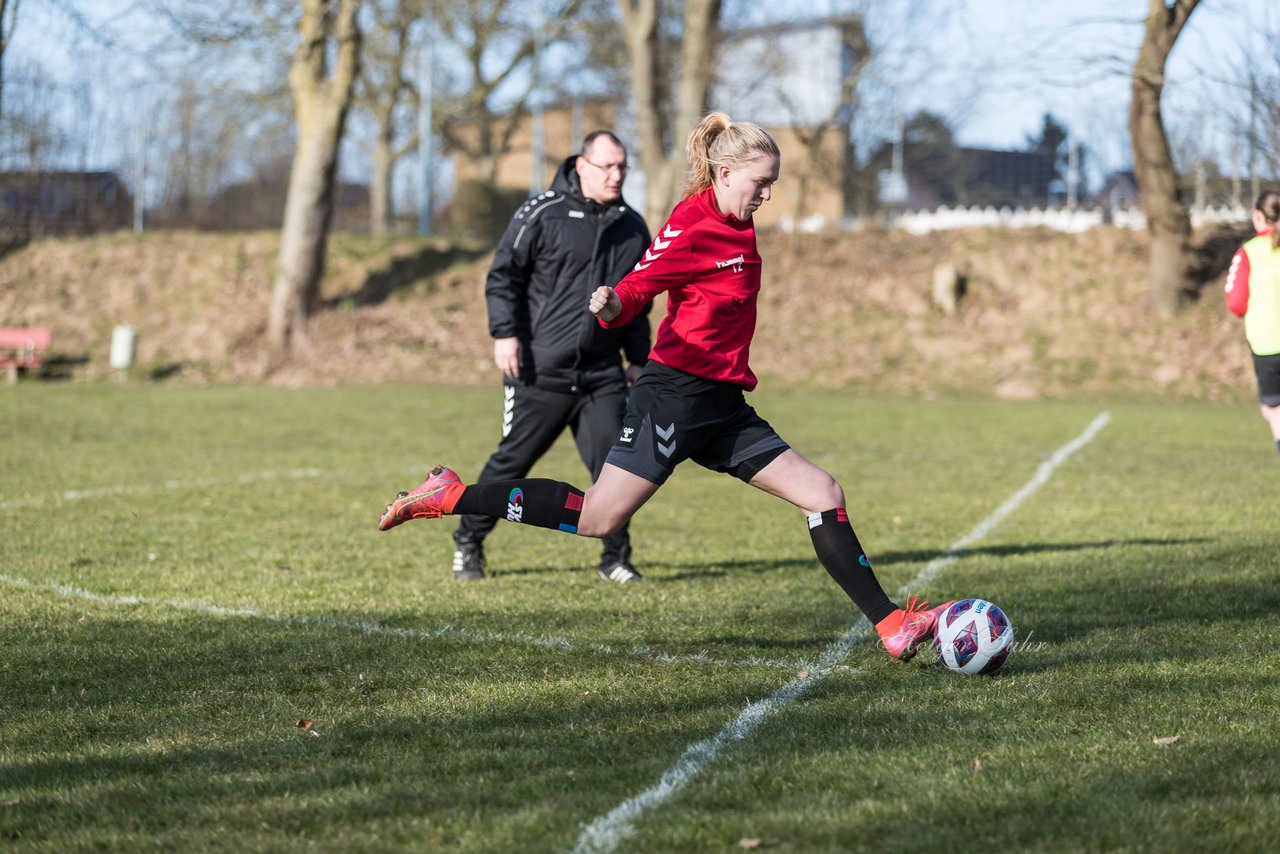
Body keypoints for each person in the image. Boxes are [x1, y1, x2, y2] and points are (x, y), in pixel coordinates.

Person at [379, 112, 949, 660]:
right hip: (673, 398)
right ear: (726, 174)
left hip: (723, 407)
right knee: (599, 520)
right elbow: (640, 284)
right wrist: (610, 306)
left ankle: (893, 625)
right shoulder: (693, 224)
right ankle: (450, 496)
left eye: (772, 183)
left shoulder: (739, 220)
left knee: (823, 493)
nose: (767, 194)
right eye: (761, 182)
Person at [450, 131, 653, 583]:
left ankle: (615, 559)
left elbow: (637, 301)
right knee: (511, 465)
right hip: (539, 370)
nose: (616, 175)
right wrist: (505, 334)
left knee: (616, 471)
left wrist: (638, 359)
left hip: (602, 375)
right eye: (608, 166)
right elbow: (504, 277)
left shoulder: (633, 228)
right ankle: (468, 541)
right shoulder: (540, 213)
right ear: (581, 166)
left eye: (623, 167)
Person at [1224, 189, 1280, 453]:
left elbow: (1235, 302)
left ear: (1258, 216)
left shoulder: (1249, 252)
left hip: (1267, 345)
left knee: (1274, 411)